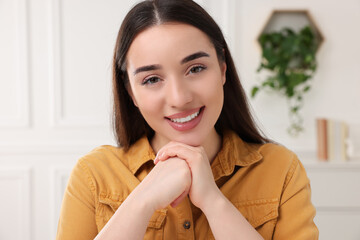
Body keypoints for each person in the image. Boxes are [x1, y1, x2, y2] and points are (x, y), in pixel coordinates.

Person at [56, 0, 319, 239]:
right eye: (152, 79)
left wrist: (213, 202)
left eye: (195, 69)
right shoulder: (94, 175)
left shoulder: (281, 170)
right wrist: (142, 201)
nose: (180, 98)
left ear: (223, 70)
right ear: (131, 93)